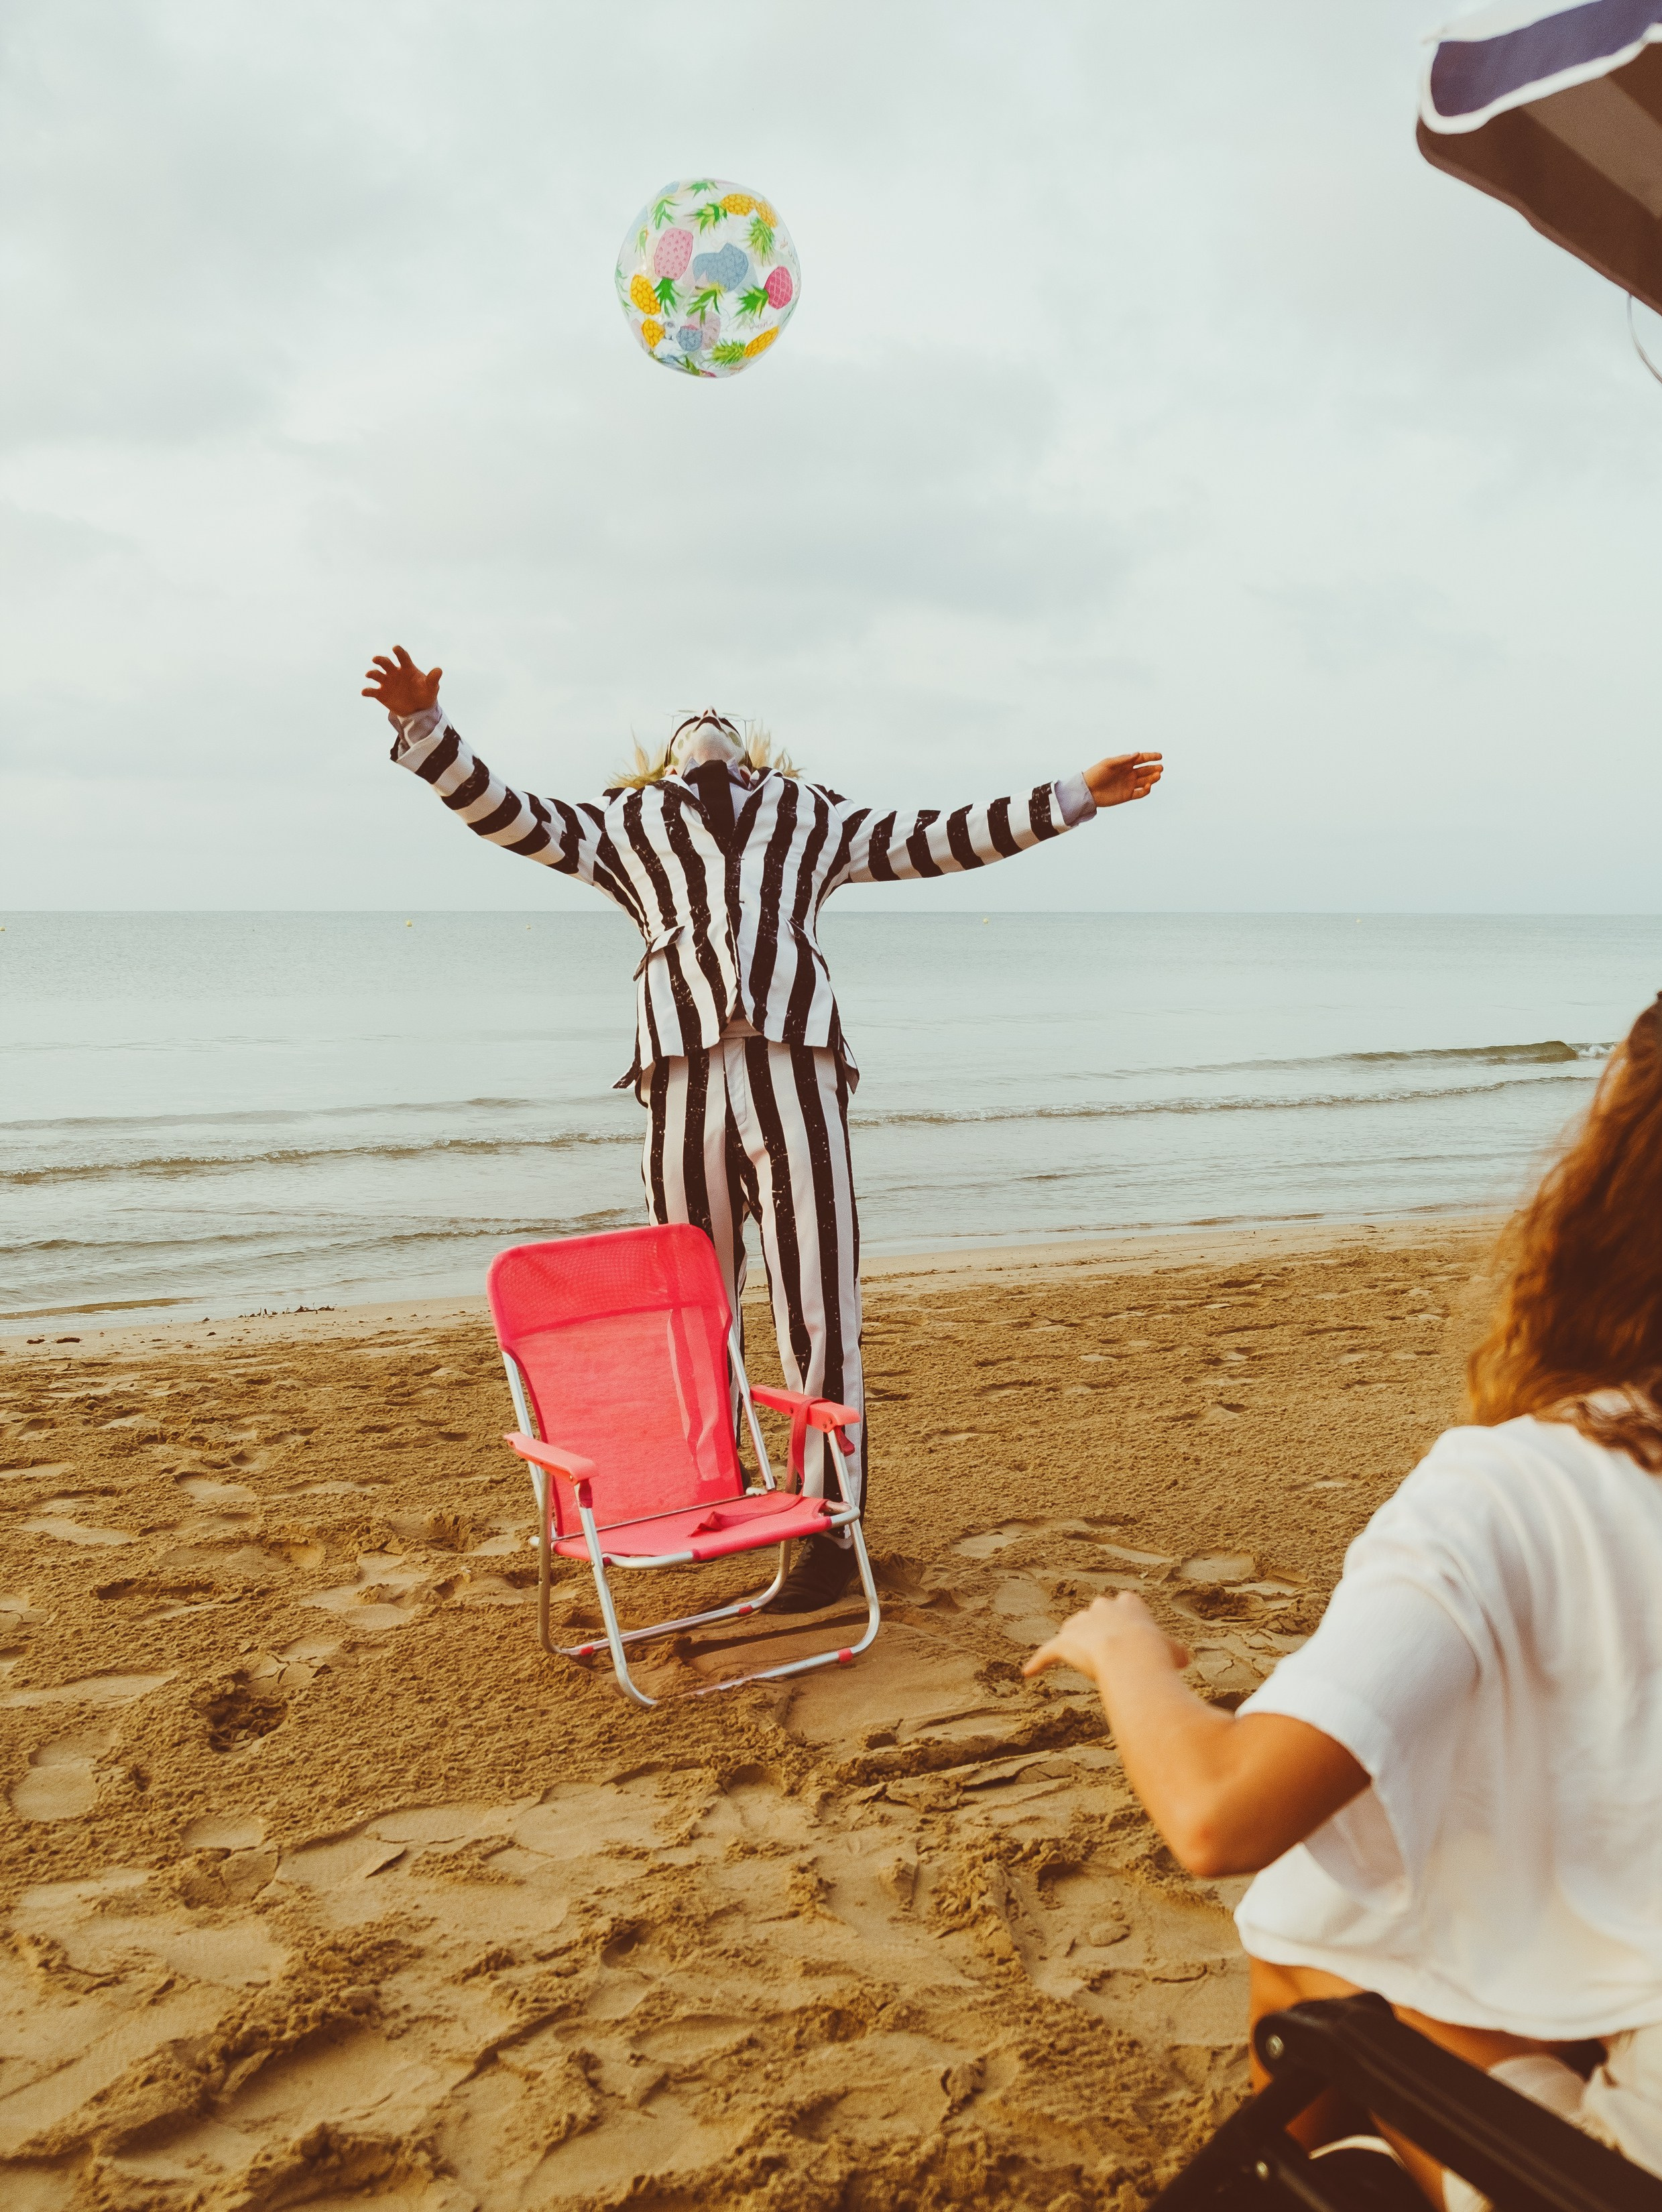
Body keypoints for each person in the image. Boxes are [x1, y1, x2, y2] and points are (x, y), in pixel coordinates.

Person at [1025, 979, 1662, 2211]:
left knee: (1307, 1931)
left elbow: (1218, 1818)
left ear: (1616, 1185)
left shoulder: (1520, 1483)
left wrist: (1127, 1651)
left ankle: (1325, 2176)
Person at [363, 646, 1164, 1611]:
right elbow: (505, 812)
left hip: (796, 1063)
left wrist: (1074, 794)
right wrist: (425, 728)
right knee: (688, 1304)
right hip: (680, 1070)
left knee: (818, 1303)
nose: (706, 720)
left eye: (722, 719)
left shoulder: (814, 815)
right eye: (689, 721)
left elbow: (943, 836)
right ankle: (706, 1487)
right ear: (663, 756)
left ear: (755, 752)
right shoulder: (622, 823)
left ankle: (831, 1530)